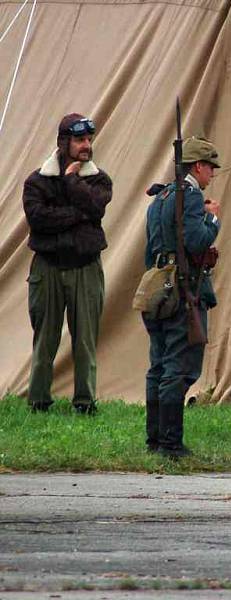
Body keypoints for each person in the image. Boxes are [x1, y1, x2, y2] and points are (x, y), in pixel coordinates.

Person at [23, 113, 113, 414]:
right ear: (64, 142)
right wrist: (77, 215)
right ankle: (38, 401)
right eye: (79, 140)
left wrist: (73, 181)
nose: (86, 145)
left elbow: (96, 206)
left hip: (85, 267)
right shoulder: (37, 181)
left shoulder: (99, 180)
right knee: (45, 338)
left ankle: (85, 402)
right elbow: (38, 219)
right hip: (46, 267)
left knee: (85, 338)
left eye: (89, 139)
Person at [143, 136, 221, 458]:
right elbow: (197, 241)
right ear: (198, 166)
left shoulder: (161, 197)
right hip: (183, 289)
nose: (212, 175)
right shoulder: (190, 197)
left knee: (158, 365)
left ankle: (155, 439)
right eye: (210, 168)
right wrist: (212, 218)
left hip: (159, 285)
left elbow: (152, 248)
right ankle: (171, 444)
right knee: (179, 366)